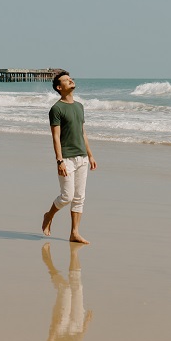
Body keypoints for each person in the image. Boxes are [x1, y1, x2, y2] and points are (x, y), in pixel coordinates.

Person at [41, 70, 97, 244]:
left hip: (82, 157)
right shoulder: (56, 109)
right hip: (66, 158)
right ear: (59, 87)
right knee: (67, 196)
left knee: (80, 197)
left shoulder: (79, 106)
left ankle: (74, 233)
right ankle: (49, 215)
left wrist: (90, 154)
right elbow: (56, 137)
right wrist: (59, 161)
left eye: (70, 78)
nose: (71, 80)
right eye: (66, 80)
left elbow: (82, 132)